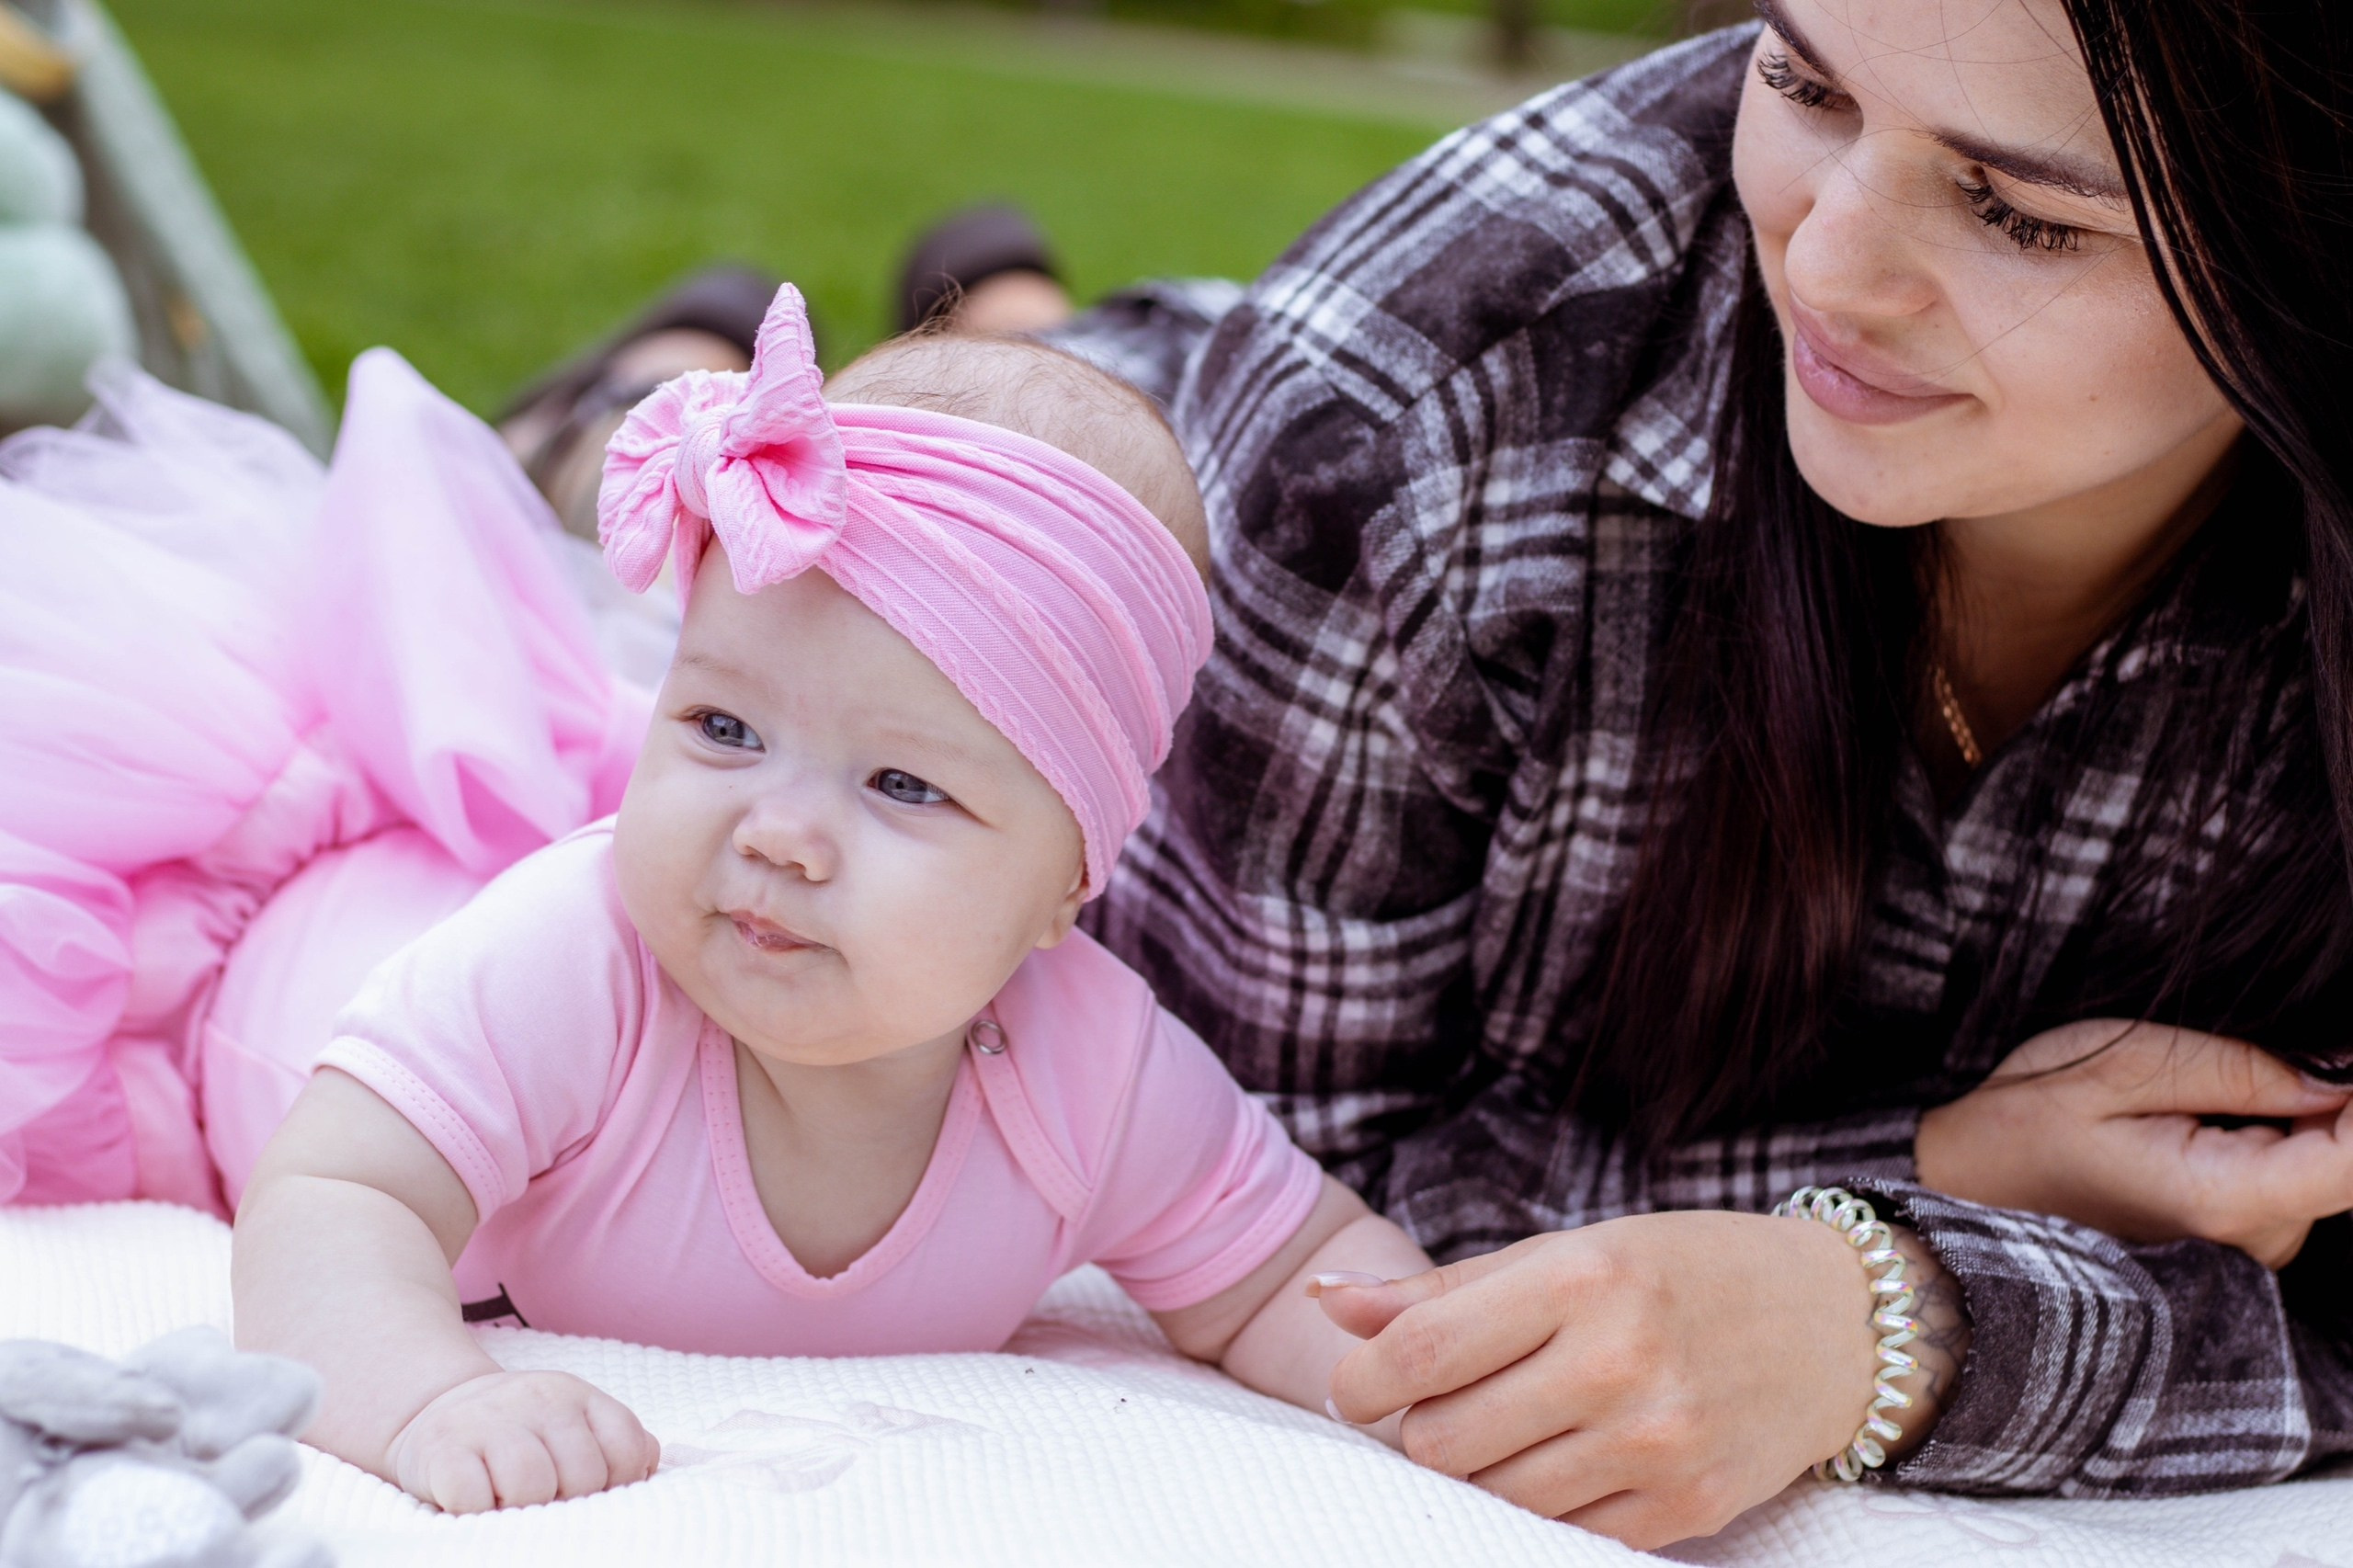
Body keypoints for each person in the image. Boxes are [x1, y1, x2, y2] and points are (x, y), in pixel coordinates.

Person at [891, 0, 2353, 1548]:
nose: (1830, 268)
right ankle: (863, 345)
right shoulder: (1399, 423)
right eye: (1800, 84)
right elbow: (1263, 1194)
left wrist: (1895, 1312)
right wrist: (1905, 1226)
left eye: (2019, 213)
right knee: (984, 432)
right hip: (1192, 463)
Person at [223, 284, 1433, 1512]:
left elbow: (1291, 1267)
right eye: (722, 725)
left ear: (1067, 881)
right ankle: (646, 363)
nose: (783, 833)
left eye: (903, 783)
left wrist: (1428, 1378)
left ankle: (915, 285)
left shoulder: (1095, 1076)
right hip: (298, 987)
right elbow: (332, 1192)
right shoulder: (575, 959)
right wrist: (430, 1394)